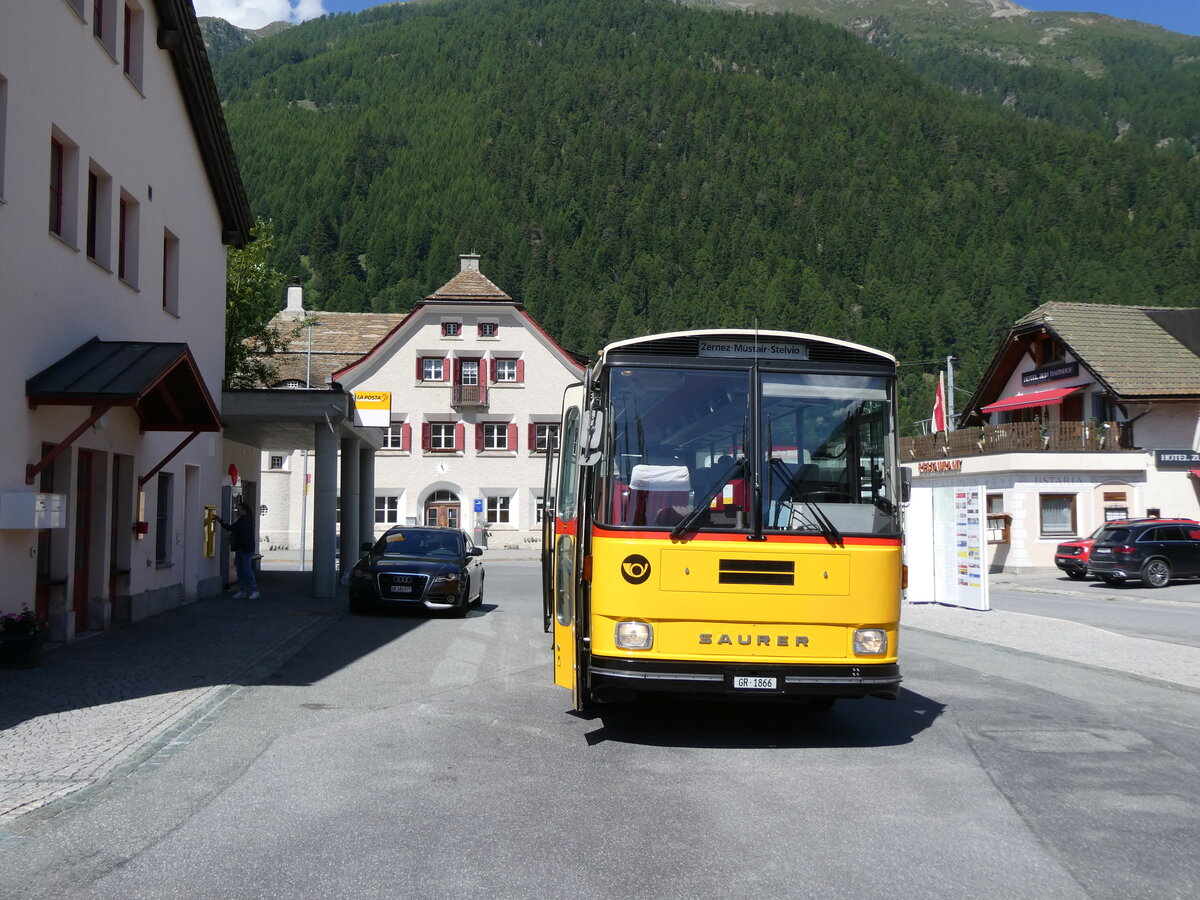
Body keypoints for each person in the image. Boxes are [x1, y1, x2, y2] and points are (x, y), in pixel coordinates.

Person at [216, 502, 260, 599]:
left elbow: (234, 528)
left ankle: (254, 590)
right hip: (241, 548)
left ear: (244, 510)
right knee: (240, 570)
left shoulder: (246, 520)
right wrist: (221, 522)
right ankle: (242, 590)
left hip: (246, 548)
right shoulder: (243, 520)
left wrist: (221, 521)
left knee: (246, 569)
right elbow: (233, 528)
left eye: (238, 509)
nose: (237, 511)